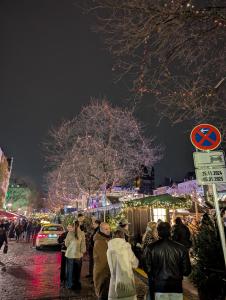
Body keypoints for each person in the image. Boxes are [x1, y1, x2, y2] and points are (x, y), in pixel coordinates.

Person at [143, 222, 191, 300]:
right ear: (170, 230)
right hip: (176, 285)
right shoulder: (181, 248)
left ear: (158, 232)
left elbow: (147, 268)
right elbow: (187, 271)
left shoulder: (150, 248)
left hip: (158, 285)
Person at [107, 230, 138, 300]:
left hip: (114, 281)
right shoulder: (126, 247)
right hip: (126, 282)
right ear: (123, 237)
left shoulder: (109, 249)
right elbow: (135, 263)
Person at [65, 221, 86, 290]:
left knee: (70, 270)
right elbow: (83, 245)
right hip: (78, 255)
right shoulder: (82, 233)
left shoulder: (69, 233)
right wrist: (82, 251)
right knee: (77, 270)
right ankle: (76, 283)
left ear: (73, 226)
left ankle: (69, 284)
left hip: (70, 254)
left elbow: (66, 244)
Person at [93, 222, 111, 300]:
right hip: (102, 270)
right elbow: (103, 259)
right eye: (106, 229)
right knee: (102, 291)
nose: (108, 230)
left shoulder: (107, 239)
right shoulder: (100, 242)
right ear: (101, 230)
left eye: (109, 228)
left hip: (106, 269)